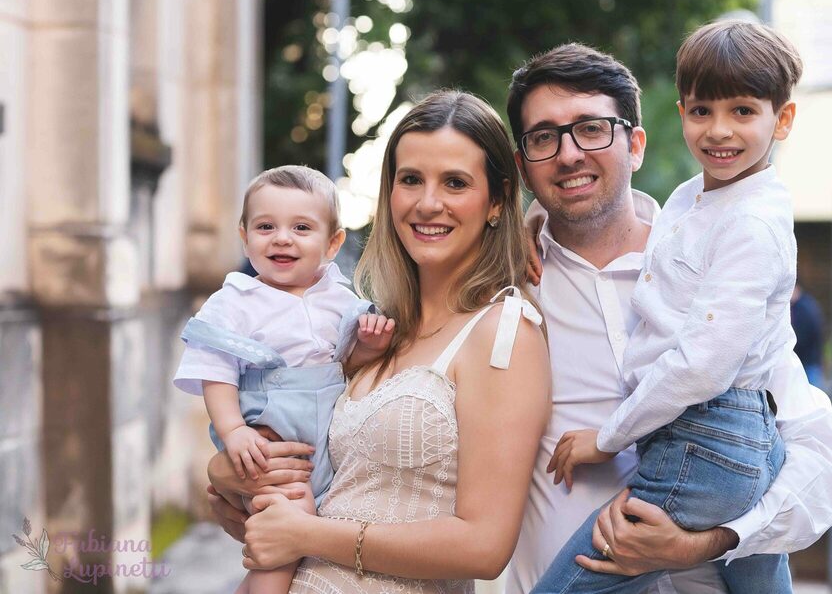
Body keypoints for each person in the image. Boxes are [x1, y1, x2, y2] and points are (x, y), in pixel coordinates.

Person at [505, 42, 832, 593]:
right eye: (545, 138)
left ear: (636, 145)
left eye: (592, 129)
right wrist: (526, 219)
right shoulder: (504, 288)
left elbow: (825, 468)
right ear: (524, 165)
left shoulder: (712, 268)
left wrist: (711, 541)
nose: (569, 154)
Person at [205, 90, 551, 593]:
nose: (427, 203)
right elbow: (306, 468)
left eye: (455, 183)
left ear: (496, 200)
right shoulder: (372, 326)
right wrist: (228, 473)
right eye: (410, 180)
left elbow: (484, 546)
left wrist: (308, 534)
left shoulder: (503, 333)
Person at [173, 165, 395, 594]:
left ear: (332, 243)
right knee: (287, 529)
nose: (281, 238)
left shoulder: (339, 298)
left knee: (302, 537)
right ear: (244, 236)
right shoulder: (236, 301)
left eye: (301, 227)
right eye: (265, 226)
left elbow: (344, 364)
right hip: (267, 440)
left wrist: (368, 347)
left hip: (323, 444)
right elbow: (216, 372)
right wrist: (234, 431)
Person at [791, 283, 825, 388]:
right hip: (810, 363)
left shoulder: (803, 308)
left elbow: (801, 337)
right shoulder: (808, 305)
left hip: (807, 364)